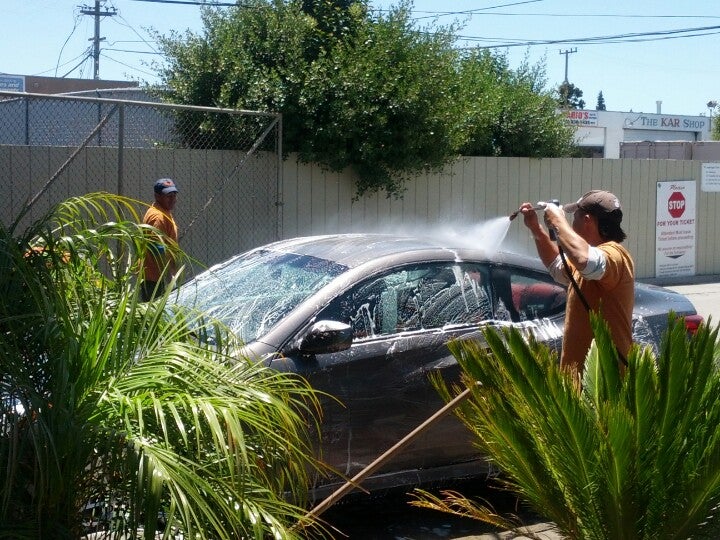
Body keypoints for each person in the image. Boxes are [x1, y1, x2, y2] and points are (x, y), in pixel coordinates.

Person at [517, 190, 634, 384]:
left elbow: (586, 261)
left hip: (604, 387)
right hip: (579, 384)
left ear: (587, 220)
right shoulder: (587, 259)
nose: (571, 222)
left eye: (575, 217)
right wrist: (536, 228)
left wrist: (557, 220)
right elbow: (558, 268)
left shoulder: (615, 255)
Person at [140, 178, 179, 301]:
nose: (172, 199)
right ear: (157, 196)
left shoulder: (163, 211)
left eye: (174, 195)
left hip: (158, 277)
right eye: (168, 196)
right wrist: (169, 279)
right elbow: (157, 249)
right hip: (156, 280)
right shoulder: (158, 217)